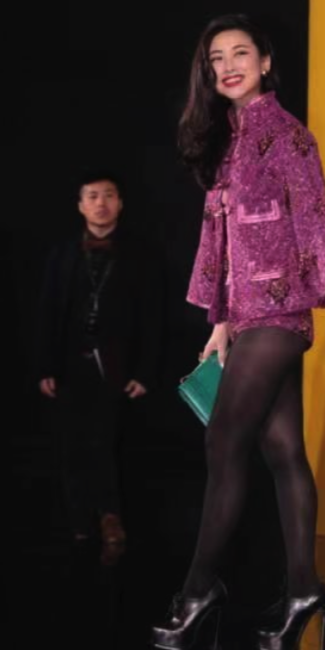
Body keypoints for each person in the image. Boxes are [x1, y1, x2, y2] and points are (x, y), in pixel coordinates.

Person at [151, 14, 325, 650]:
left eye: (240, 53)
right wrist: (219, 322)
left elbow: (316, 219)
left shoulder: (288, 135)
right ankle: (304, 590)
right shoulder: (228, 141)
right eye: (217, 58)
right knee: (284, 451)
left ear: (266, 62)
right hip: (244, 318)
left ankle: (198, 591)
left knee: (223, 442)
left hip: (281, 311)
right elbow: (221, 240)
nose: (228, 66)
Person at [36, 170, 162, 562]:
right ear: (80, 205)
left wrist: (144, 371)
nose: (100, 203)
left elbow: (153, 317)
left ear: (120, 203)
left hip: (116, 365)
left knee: (110, 443)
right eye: (92, 196)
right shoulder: (62, 254)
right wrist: (45, 366)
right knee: (71, 446)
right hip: (70, 363)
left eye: (108, 195)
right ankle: (78, 521)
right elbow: (47, 313)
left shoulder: (140, 255)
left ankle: (111, 517)